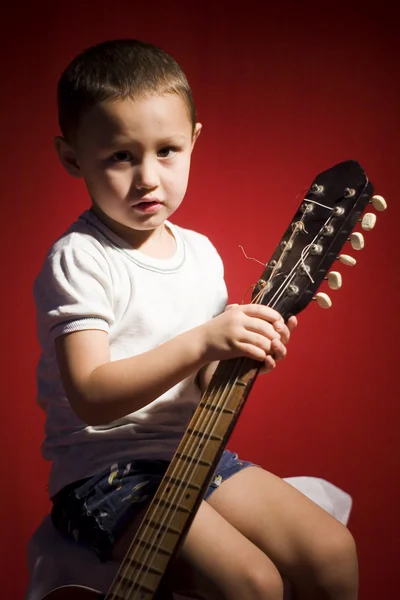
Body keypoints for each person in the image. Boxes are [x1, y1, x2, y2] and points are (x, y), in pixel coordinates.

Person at [33, 38, 358, 600]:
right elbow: (91, 394)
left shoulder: (202, 253)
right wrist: (204, 339)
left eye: (167, 150)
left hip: (195, 455)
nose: (148, 178)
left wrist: (238, 353)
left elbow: (201, 381)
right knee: (252, 584)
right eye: (120, 156)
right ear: (71, 158)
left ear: (194, 141)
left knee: (332, 549)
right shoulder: (80, 257)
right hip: (105, 476)